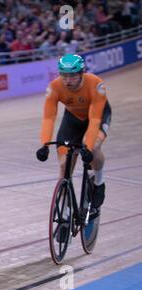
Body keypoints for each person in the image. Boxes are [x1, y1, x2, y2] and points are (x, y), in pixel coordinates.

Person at [36, 54, 111, 210]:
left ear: (81, 72)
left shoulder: (96, 84)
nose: (67, 80)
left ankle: (99, 183)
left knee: (93, 148)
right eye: (63, 75)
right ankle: (65, 211)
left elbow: (95, 119)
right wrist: (44, 144)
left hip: (97, 116)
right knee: (64, 166)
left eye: (72, 75)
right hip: (73, 119)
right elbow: (48, 118)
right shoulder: (55, 87)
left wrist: (88, 147)